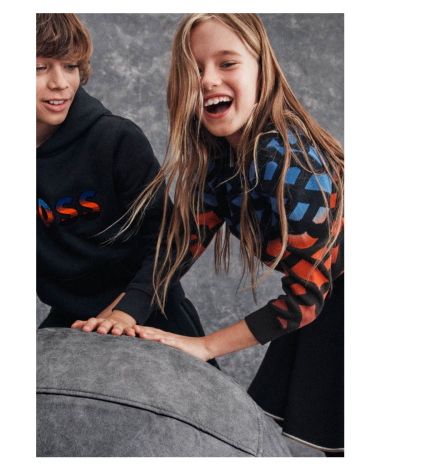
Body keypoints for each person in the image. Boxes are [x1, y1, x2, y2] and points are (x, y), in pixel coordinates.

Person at [97, 14, 344, 456]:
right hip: (330, 298)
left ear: (262, 71)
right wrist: (123, 314)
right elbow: (180, 248)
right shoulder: (222, 162)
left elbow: (304, 302)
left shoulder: (287, 164)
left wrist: (204, 346)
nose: (208, 80)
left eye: (227, 63)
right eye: (194, 69)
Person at [36, 13, 212, 347]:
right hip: (70, 321)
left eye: (70, 66)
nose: (60, 83)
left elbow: (170, 239)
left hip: (148, 312)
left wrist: (126, 311)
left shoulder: (116, 140)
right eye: (39, 68)